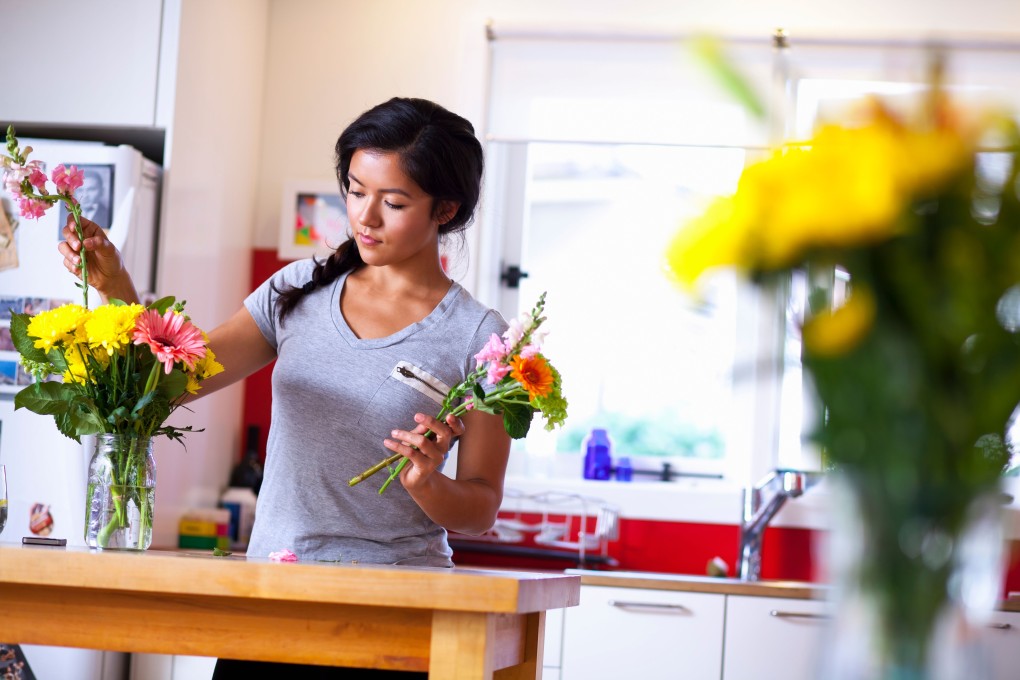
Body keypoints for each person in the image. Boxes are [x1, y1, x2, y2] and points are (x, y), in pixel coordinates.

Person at [59, 97, 512, 678]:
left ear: (444, 209)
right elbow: (167, 385)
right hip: (273, 594)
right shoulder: (298, 289)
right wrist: (115, 285)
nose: (365, 217)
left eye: (393, 202)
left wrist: (427, 484)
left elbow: (480, 508)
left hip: (395, 612)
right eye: (355, 190)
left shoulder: (481, 337)